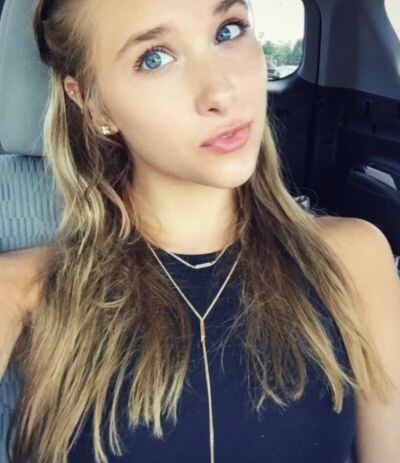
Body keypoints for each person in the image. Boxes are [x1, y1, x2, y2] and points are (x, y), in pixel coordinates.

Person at [1, 0, 399, 462]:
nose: (222, 91)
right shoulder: (23, 290)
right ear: (93, 104)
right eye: (154, 58)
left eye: (228, 31)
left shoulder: (353, 258)